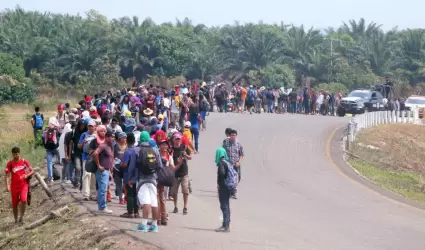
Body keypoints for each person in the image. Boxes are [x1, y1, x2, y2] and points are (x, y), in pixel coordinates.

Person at [131, 131, 163, 232]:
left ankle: (143, 225)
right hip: (153, 179)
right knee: (154, 202)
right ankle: (154, 226)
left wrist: (130, 178)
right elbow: (160, 166)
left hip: (141, 180)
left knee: (146, 202)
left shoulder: (136, 150)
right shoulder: (155, 150)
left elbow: (132, 166)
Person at [5, 147, 34, 224]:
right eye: (14, 154)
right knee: (14, 204)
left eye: (16, 154)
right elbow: (7, 176)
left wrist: (27, 175)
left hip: (24, 185)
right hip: (14, 187)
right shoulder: (10, 164)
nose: (15, 156)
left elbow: (32, 170)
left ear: (19, 153)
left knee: (24, 200)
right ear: (12, 154)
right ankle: (16, 219)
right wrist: (7, 185)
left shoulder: (24, 162)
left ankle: (21, 217)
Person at [92, 127, 115, 214]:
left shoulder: (110, 146)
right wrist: (99, 165)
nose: (113, 139)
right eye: (111, 137)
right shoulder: (103, 145)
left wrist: (110, 169)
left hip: (106, 170)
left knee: (103, 188)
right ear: (107, 137)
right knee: (103, 189)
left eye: (113, 137)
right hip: (102, 170)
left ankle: (101, 206)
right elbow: (95, 153)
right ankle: (102, 207)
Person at [171, 132, 192, 215]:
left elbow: (190, 157)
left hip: (184, 173)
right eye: (176, 139)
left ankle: (185, 207)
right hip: (175, 173)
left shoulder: (184, 147)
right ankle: (175, 206)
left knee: (185, 191)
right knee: (174, 192)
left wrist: (186, 155)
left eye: (178, 139)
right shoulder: (171, 149)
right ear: (173, 140)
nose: (177, 141)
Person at [120, 133, 140, 218]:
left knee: (130, 194)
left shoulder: (128, 151)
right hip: (137, 174)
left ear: (127, 141)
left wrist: (120, 164)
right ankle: (136, 212)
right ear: (134, 141)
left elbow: (125, 164)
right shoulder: (137, 150)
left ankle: (130, 212)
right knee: (135, 193)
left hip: (129, 174)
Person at [222, 129, 244, 199]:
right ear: (230, 136)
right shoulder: (226, 143)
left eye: (234, 135)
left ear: (236, 136)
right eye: (232, 135)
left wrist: (239, 162)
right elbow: (223, 152)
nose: (233, 137)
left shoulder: (238, 144)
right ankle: (233, 192)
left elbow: (242, 154)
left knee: (237, 178)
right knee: (228, 178)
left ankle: (232, 190)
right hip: (228, 164)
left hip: (236, 164)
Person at [215, 147, 232, 232]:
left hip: (224, 186)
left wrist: (219, 183)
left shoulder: (221, 163)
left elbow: (222, 173)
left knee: (224, 205)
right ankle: (226, 223)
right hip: (229, 186)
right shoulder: (227, 162)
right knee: (226, 205)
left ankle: (226, 225)